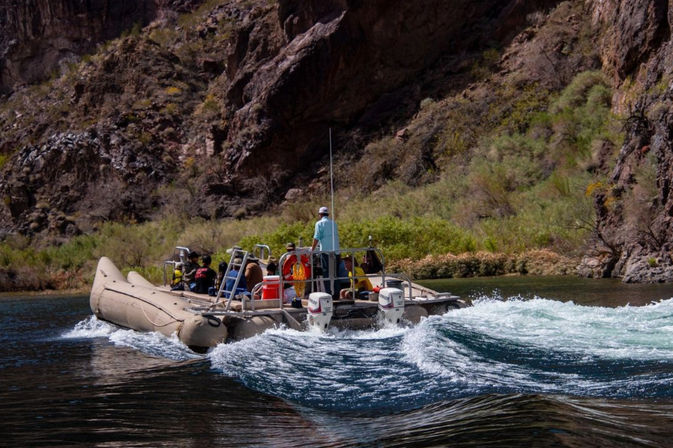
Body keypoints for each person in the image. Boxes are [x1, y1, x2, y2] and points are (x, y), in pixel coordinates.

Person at [310, 206, 346, 297]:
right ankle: (336, 294)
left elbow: (316, 237)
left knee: (326, 273)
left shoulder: (319, 224)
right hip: (336, 252)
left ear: (320, 215)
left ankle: (328, 294)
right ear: (328, 214)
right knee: (335, 273)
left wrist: (312, 249)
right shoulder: (334, 223)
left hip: (326, 252)